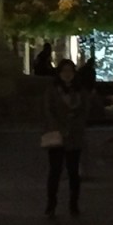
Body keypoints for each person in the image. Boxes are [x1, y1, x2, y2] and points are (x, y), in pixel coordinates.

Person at [43, 58, 91, 216]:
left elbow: (85, 110)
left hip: (74, 135)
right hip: (57, 135)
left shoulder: (80, 90)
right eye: (64, 71)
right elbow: (48, 110)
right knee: (55, 171)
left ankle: (74, 204)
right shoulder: (53, 90)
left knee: (73, 172)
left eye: (70, 71)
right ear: (59, 73)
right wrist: (58, 127)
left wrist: (77, 125)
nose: (67, 74)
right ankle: (51, 204)